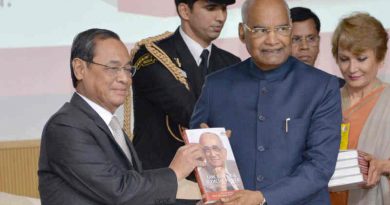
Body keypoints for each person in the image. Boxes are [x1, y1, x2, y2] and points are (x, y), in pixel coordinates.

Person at [190, 0, 342, 204]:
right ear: (242, 33)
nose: (272, 40)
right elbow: (196, 150)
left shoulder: (322, 87)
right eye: (260, 30)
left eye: (281, 29)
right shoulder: (216, 86)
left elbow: (320, 167)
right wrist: (202, 146)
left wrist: (263, 198)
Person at [38, 28, 205, 205]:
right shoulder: (66, 126)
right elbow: (120, 192)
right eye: (113, 68)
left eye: (127, 69)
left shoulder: (110, 125)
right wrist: (175, 171)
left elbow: (139, 197)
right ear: (80, 69)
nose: (125, 79)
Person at [130, 0, 240, 174]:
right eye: (211, 8)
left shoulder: (231, 63)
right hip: (162, 182)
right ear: (184, 11)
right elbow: (190, 111)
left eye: (224, 9)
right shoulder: (152, 56)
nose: (220, 17)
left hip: (215, 182)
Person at [329, 12, 390, 205]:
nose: (352, 68)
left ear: (380, 58)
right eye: (344, 59)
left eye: (361, 58)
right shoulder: (326, 102)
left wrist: (384, 166)